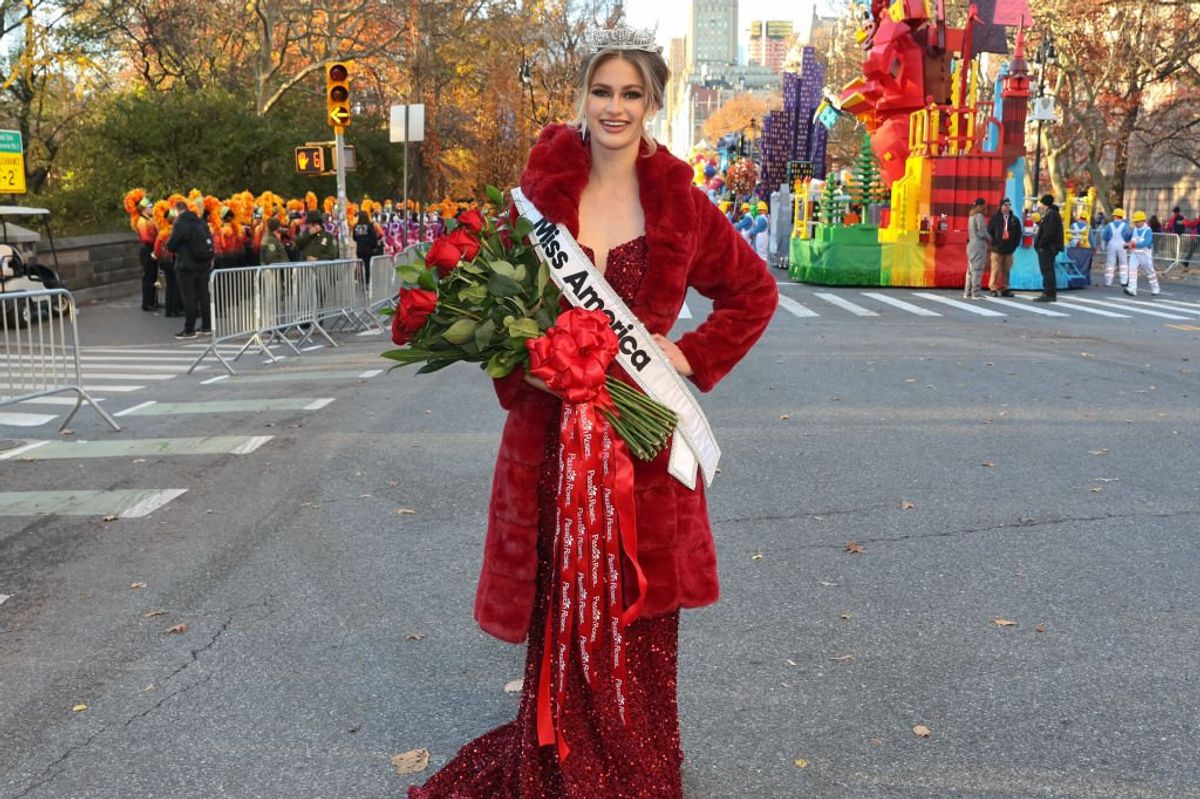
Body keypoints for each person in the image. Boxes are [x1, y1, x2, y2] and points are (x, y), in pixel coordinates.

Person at [408, 30, 778, 799]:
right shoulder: (543, 194)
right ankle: (557, 760)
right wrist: (531, 370)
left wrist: (685, 355)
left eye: (632, 94)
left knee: (638, 612)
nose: (615, 107)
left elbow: (753, 293)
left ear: (653, 104)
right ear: (582, 96)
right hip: (551, 444)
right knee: (560, 599)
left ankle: (635, 766)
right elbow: (502, 323)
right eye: (603, 91)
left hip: (640, 456)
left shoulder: (679, 199)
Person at [165, 200, 214, 339]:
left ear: (176, 210)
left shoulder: (180, 223)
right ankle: (206, 326)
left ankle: (189, 329)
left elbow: (172, 245)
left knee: (189, 297)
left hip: (186, 265)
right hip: (203, 263)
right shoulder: (200, 222)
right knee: (204, 295)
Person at [986, 197, 1021, 296]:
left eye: (1009, 205)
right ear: (1001, 206)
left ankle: (1005, 288)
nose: (1007, 207)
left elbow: (1019, 234)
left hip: (1009, 249)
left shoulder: (1014, 220)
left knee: (1007, 269)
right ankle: (993, 288)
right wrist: (993, 244)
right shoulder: (995, 219)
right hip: (997, 249)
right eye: (1005, 205)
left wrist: (1014, 245)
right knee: (995, 269)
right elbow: (989, 232)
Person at [1033, 193, 1064, 302]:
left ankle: (1048, 293)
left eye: (1041, 204)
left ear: (1044, 204)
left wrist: (1040, 243)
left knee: (1047, 271)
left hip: (1047, 248)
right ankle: (1049, 292)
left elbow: (1048, 232)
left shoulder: (1051, 215)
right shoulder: (1053, 214)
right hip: (1049, 247)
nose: (1040, 206)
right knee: (1048, 270)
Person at [1124, 210, 1160, 296]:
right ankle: (1132, 289)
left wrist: (1133, 245)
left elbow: (1146, 243)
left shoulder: (1148, 230)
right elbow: (1126, 238)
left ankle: (1155, 288)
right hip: (1135, 254)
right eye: (1135, 222)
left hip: (1145, 255)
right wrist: (1129, 231)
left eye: (1137, 221)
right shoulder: (1134, 229)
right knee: (1132, 270)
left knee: (1150, 272)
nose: (1136, 223)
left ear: (1142, 221)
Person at [965, 197, 989, 299]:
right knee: (977, 269)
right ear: (981, 206)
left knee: (970, 270)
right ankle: (976, 293)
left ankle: (968, 292)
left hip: (971, 244)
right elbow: (981, 231)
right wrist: (990, 237)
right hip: (978, 245)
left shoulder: (971, 216)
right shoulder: (979, 216)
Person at [1102, 208, 1132, 286]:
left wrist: (1103, 247)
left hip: (1111, 245)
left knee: (1110, 263)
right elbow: (1129, 236)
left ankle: (1108, 281)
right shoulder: (1125, 226)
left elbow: (1104, 236)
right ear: (1121, 216)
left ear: (1114, 216)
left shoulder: (1109, 225)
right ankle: (1124, 281)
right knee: (1123, 263)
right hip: (1122, 245)